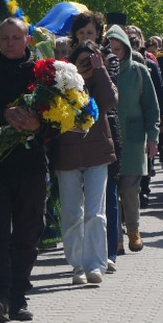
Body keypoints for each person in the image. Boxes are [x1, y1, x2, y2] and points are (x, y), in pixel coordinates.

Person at [0, 17, 52, 322]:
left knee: (27, 230)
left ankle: (18, 294)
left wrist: (39, 123)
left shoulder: (44, 75)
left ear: (27, 40)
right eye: (5, 38)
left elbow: (61, 118)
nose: (10, 43)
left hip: (31, 164)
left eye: (16, 38)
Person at [55, 41, 117, 286]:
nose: (86, 66)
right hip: (67, 155)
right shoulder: (62, 83)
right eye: (82, 61)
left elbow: (110, 102)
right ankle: (77, 265)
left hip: (96, 155)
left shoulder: (101, 80)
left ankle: (95, 264)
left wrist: (100, 71)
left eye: (91, 60)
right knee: (72, 213)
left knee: (95, 213)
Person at [70, 10, 121, 271]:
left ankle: (109, 251)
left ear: (98, 34)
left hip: (105, 126)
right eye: (80, 33)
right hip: (74, 134)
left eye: (89, 32)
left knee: (105, 195)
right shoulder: (68, 62)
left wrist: (96, 68)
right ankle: (81, 253)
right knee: (76, 202)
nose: (85, 37)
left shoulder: (109, 59)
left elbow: (110, 94)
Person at [105, 25, 159, 251]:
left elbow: (151, 107)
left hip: (134, 139)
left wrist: (153, 137)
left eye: (119, 49)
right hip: (107, 139)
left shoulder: (139, 71)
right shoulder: (101, 73)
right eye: (111, 50)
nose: (115, 54)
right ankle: (115, 237)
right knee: (111, 190)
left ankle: (134, 230)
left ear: (126, 48)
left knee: (129, 189)